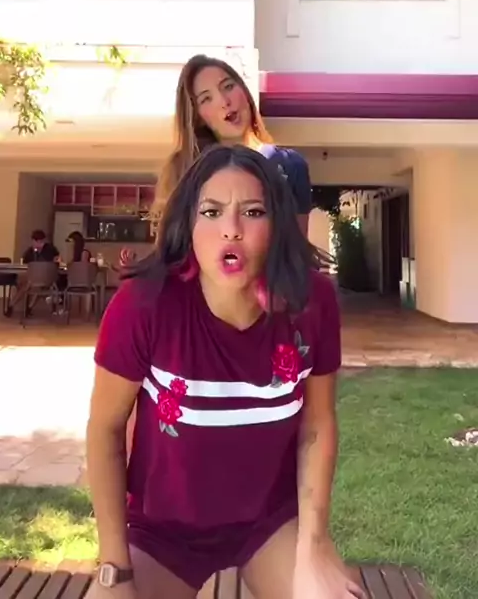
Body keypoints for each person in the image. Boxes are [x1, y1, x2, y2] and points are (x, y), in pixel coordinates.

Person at [86, 145, 364, 599]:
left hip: (270, 523)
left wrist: (313, 548)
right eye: (212, 212)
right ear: (188, 225)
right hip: (162, 532)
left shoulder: (311, 302)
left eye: (252, 212)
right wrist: (113, 569)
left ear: (277, 225)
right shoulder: (143, 304)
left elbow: (316, 426)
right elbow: (104, 429)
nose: (231, 229)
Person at [119, 54, 312, 268]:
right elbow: (172, 252)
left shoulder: (290, 164)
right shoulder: (184, 168)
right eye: (206, 98)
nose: (224, 101)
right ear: (198, 116)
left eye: (228, 86)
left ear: (244, 91)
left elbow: (298, 254)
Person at [5, 230, 60, 316]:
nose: (38, 244)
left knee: (35, 286)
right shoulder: (30, 252)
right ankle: (14, 306)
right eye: (36, 241)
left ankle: (25, 307)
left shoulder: (50, 249)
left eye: (40, 242)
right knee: (26, 285)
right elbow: (24, 264)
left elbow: (57, 260)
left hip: (46, 277)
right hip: (33, 278)